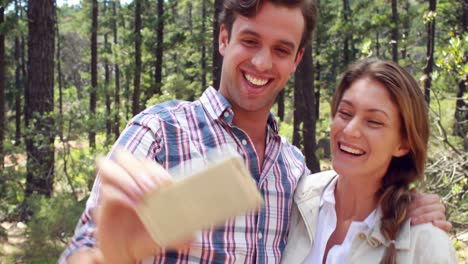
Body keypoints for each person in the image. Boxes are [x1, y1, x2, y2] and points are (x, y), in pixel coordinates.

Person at [60, 1, 450, 263]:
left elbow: (365, 191)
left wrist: (406, 204)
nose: (262, 62)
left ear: (297, 59)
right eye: (249, 41)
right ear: (224, 38)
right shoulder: (161, 132)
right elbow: (86, 247)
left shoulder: (295, 172)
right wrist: (107, 253)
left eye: (281, 50)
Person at [281, 58, 457, 263]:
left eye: (373, 122)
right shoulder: (297, 198)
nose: (349, 130)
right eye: (345, 113)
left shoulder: (425, 243)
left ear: (403, 145)